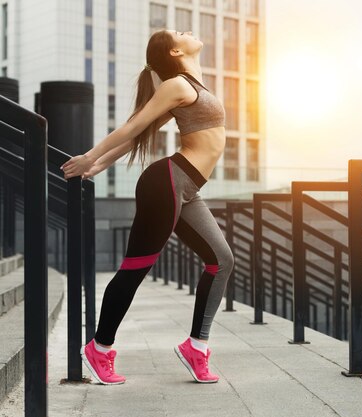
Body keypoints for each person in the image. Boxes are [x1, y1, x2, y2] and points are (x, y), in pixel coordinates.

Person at [61, 29, 234, 385]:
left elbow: (143, 132)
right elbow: (135, 125)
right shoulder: (177, 84)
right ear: (175, 50)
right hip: (168, 182)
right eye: (180, 32)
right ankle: (100, 348)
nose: (188, 31)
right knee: (135, 270)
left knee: (222, 260)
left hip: (187, 188)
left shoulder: (191, 86)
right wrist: (90, 158)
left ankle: (196, 347)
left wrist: (100, 165)